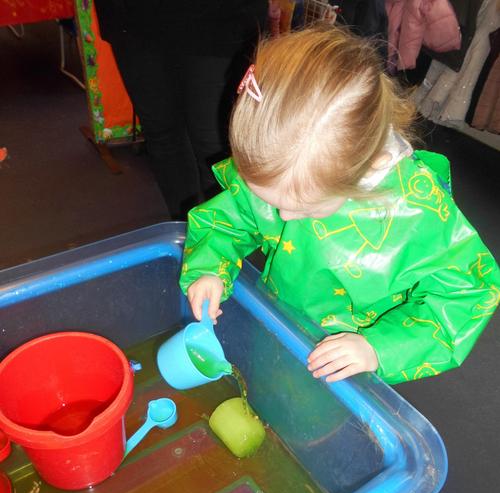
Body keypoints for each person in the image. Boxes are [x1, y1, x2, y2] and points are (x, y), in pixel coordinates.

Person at [179, 25, 500, 385]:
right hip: (282, 318)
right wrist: (209, 268)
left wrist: (378, 348)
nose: (284, 216)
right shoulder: (284, 167)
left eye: (305, 207)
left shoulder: (416, 212)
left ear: (370, 164)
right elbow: (230, 218)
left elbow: (467, 293)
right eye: (270, 200)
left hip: (348, 359)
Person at [94, 0, 268, 220]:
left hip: (218, 18)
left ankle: (226, 236)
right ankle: (188, 229)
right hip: (134, 18)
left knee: (217, 148)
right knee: (163, 136)